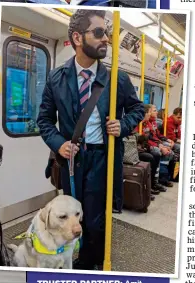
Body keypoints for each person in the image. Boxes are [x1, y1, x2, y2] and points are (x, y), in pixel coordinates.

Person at [37, 9, 144, 271]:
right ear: (77, 37)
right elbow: (45, 121)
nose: (106, 38)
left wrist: (124, 124)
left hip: (102, 158)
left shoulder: (116, 78)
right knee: (73, 217)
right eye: (98, 33)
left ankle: (91, 263)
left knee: (96, 220)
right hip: (72, 160)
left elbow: (138, 109)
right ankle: (80, 255)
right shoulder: (56, 78)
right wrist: (58, 143)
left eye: (106, 32)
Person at [134, 104, 167, 194]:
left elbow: (152, 137)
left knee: (156, 154)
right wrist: (153, 146)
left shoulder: (148, 123)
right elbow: (138, 140)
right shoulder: (137, 124)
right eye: (149, 113)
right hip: (136, 149)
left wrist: (160, 144)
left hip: (145, 147)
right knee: (152, 156)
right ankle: (149, 185)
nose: (150, 115)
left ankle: (153, 182)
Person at [149, 105, 174, 187]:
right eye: (154, 110)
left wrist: (167, 140)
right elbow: (148, 139)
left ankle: (165, 177)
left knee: (170, 152)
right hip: (149, 145)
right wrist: (160, 146)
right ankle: (160, 179)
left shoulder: (154, 122)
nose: (157, 112)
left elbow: (158, 135)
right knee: (158, 152)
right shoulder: (145, 123)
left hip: (156, 142)